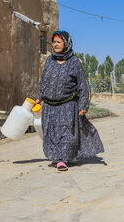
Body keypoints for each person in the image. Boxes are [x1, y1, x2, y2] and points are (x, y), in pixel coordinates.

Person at [35, 30, 104, 171]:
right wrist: (39, 97)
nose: (55, 45)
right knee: (51, 132)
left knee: (67, 133)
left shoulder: (74, 62)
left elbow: (82, 85)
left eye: (58, 42)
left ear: (66, 43)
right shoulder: (50, 60)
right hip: (50, 105)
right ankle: (55, 155)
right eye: (54, 42)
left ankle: (63, 159)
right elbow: (43, 81)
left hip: (68, 105)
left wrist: (83, 105)